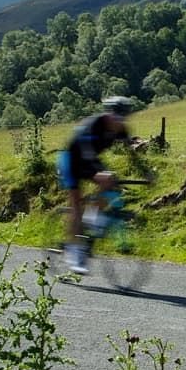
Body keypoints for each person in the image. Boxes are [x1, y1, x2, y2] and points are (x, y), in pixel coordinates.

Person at [58, 95, 140, 274]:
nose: (118, 120)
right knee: (76, 207)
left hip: (90, 161)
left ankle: (93, 217)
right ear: (108, 113)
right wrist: (99, 172)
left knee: (109, 182)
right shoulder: (94, 124)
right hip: (71, 160)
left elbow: (133, 156)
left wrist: (147, 174)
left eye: (122, 116)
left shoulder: (121, 129)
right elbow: (86, 154)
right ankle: (74, 254)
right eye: (115, 115)